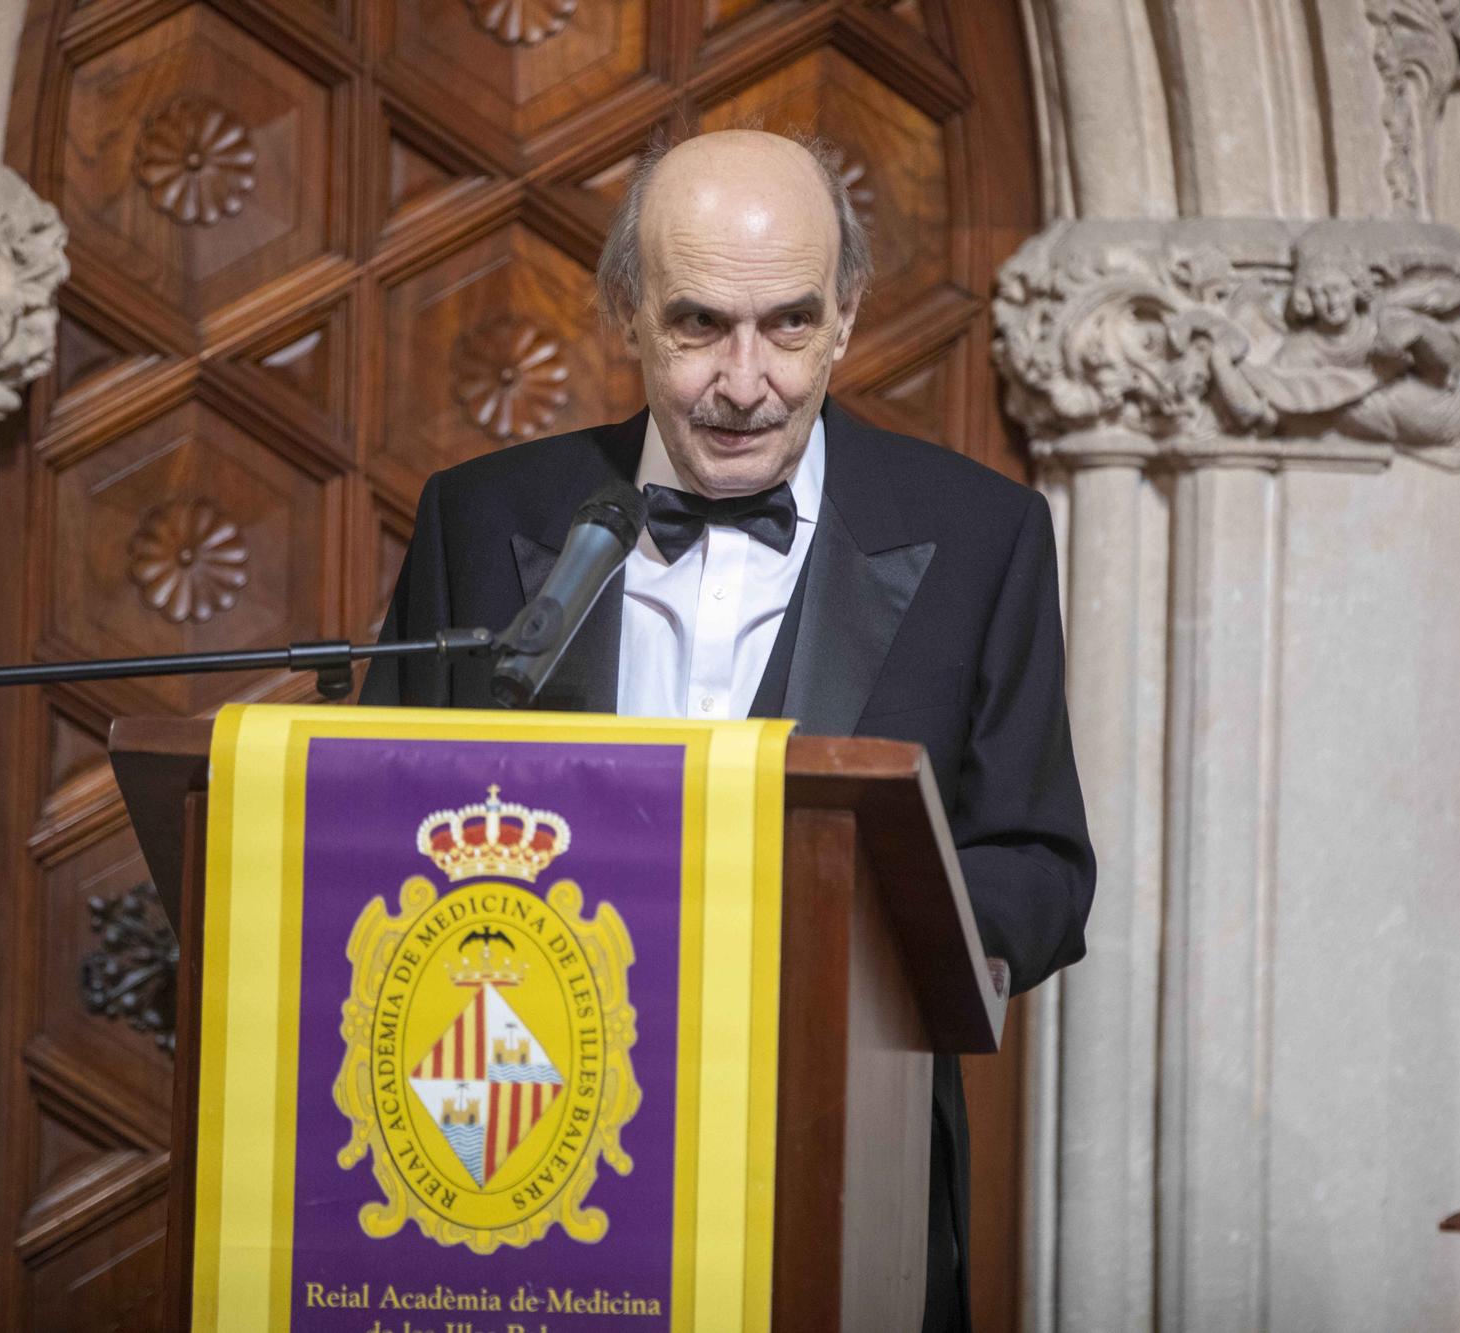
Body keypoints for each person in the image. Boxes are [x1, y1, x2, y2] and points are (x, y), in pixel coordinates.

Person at [360, 128, 1095, 1332]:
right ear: (626, 314)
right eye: (698, 324)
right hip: (521, 1179)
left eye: (789, 325)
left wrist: (877, 921)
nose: (744, 380)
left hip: (842, 1173)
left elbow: (1042, 872)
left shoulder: (982, 535)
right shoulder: (479, 518)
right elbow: (381, 828)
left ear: (846, 318)